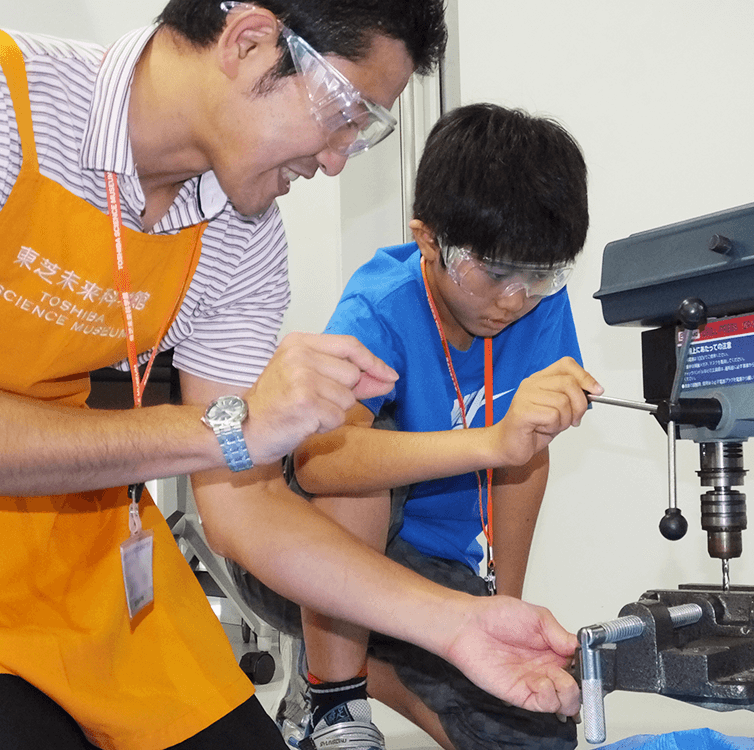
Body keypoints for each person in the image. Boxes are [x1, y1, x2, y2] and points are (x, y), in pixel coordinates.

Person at [0, 3, 602, 749]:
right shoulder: (10, 104)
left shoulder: (243, 236)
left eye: (366, 129)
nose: (337, 159)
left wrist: (463, 623)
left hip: (76, 564)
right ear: (251, 42)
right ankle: (337, 697)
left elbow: (243, 510)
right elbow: (246, 442)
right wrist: (230, 425)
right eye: (347, 111)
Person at [264, 103, 592, 749]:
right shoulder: (381, 306)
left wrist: (505, 616)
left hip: (435, 574)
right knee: (359, 449)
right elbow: (321, 465)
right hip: (306, 557)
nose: (513, 299)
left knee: (535, 733)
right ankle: (333, 697)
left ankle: (351, 666)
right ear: (429, 239)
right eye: (494, 272)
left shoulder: (537, 307)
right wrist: (492, 441)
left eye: (539, 275)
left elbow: (526, 461)